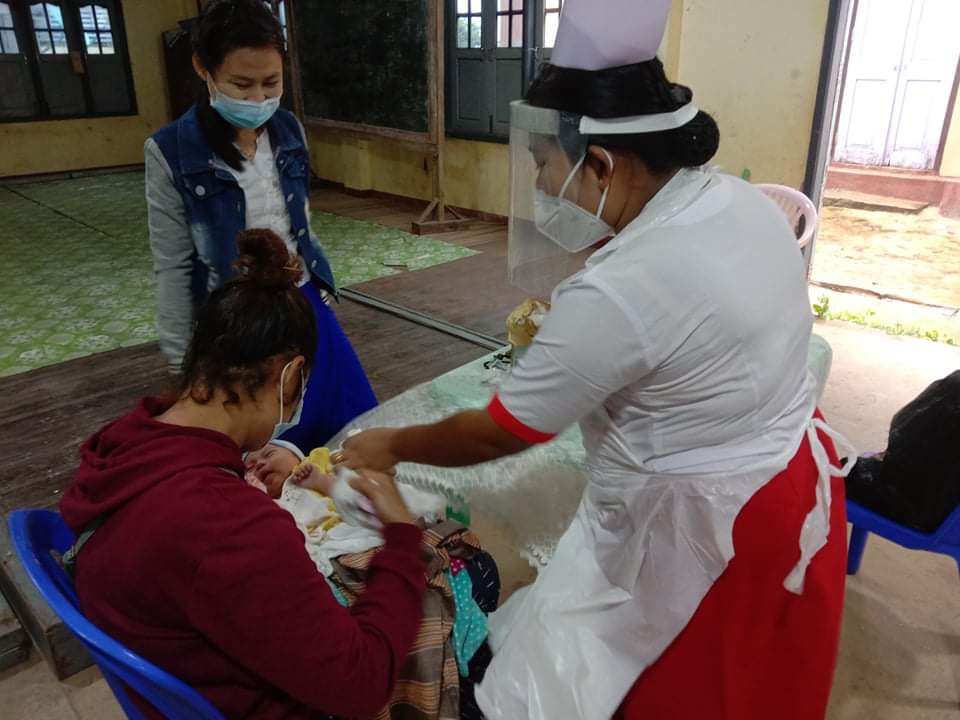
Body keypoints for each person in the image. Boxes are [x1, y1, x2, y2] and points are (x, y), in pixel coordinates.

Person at [336, 1, 854, 718]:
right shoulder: (737, 201)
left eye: (543, 165)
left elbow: (501, 431)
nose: (541, 186)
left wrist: (391, 445)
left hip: (714, 524)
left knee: (656, 683)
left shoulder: (621, 287)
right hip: (784, 469)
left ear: (602, 162)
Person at [60, 230, 426, 719]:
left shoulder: (125, 443)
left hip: (180, 671)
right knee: (440, 587)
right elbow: (361, 685)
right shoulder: (223, 523)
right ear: (289, 376)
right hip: (254, 702)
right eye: (303, 388)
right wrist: (402, 536)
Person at [145, 0, 376, 471]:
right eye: (241, 84)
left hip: (298, 296)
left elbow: (299, 225)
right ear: (203, 69)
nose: (258, 99)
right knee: (254, 443)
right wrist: (183, 363)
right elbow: (172, 264)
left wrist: (316, 288)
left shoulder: (288, 130)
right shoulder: (172, 150)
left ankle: (334, 501)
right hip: (237, 320)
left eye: (271, 83)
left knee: (350, 416)